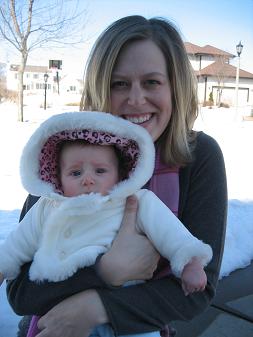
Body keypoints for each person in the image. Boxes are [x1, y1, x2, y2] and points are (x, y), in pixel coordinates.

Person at [6, 15, 227, 337]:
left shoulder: (198, 156)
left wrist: (96, 307)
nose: (136, 99)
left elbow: (197, 290)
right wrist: (104, 271)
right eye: (118, 84)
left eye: (152, 82)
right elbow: (20, 294)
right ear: (99, 87)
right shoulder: (67, 152)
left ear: (175, 86)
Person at [1, 111, 212, 337]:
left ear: (119, 175)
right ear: (58, 177)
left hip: (125, 311)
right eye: (75, 172)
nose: (88, 179)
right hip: (59, 308)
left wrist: (190, 263)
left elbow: (172, 234)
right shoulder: (48, 207)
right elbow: (18, 243)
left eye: (100, 170)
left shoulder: (136, 202)